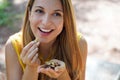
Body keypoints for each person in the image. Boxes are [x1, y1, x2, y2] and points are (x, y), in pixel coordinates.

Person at [5, 0, 87, 80]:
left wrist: (63, 75)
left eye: (56, 14)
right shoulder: (13, 46)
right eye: (39, 11)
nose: (46, 22)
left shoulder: (78, 44)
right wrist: (31, 68)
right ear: (29, 13)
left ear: (66, 19)